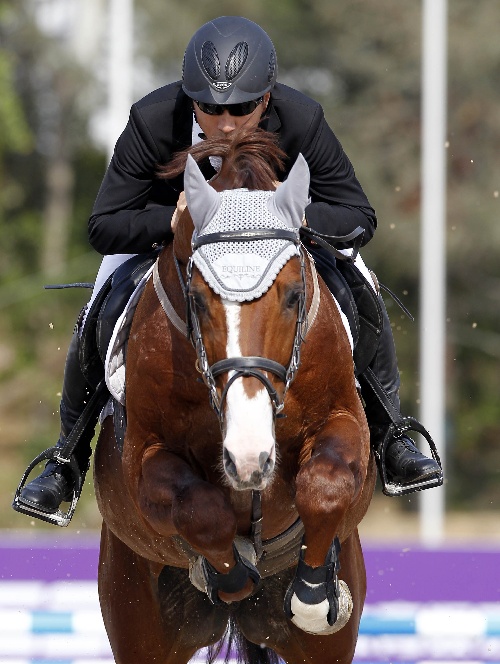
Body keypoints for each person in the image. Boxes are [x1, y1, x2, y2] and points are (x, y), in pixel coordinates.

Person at [14, 15, 442, 526]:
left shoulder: (301, 118)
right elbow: (103, 226)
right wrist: (171, 219)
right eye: (209, 108)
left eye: (241, 109)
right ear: (190, 99)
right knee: (101, 298)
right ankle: (67, 458)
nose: (225, 123)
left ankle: (392, 435)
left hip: (277, 246)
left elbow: (358, 216)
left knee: (360, 278)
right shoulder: (152, 119)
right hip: (175, 245)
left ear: (266, 99)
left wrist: (294, 216)